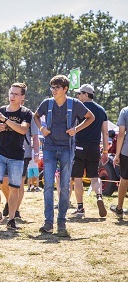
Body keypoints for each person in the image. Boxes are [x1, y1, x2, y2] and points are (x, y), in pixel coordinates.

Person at [33, 75, 94, 236]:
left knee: (65, 186)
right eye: (51, 87)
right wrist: (41, 129)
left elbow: (90, 117)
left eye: (56, 87)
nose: (53, 90)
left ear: (65, 89)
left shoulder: (74, 104)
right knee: (47, 186)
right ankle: (48, 222)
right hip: (49, 148)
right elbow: (36, 116)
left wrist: (76, 129)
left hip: (67, 148)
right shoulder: (47, 103)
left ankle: (61, 222)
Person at [0, 82, 32, 230]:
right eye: (11, 93)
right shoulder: (0, 111)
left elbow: (23, 130)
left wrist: (5, 120)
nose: (12, 96)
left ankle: (11, 218)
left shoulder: (26, 113)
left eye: (16, 94)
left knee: (14, 188)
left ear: (22, 97)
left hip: (17, 155)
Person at [70, 84, 109, 218]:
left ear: (86, 94)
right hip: (94, 147)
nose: (77, 96)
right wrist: (105, 152)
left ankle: (80, 208)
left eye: (79, 94)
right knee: (94, 176)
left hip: (79, 146)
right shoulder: (102, 110)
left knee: (78, 178)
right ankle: (99, 196)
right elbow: (105, 132)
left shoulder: (80, 108)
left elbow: (73, 126)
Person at [110, 106, 128, 218]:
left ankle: (119, 208)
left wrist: (117, 155)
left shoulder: (125, 111)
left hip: (126, 151)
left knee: (124, 179)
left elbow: (121, 134)